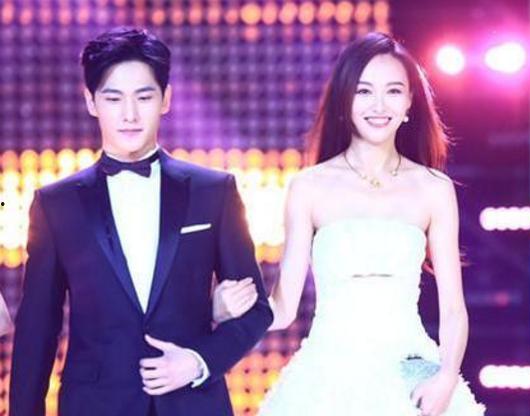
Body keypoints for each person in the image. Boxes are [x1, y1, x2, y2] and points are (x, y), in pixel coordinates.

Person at [212, 32, 486, 415]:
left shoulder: (433, 189)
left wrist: (446, 378)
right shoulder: (309, 187)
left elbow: (454, 309)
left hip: (409, 376)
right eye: (364, 91)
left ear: (410, 101)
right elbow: (284, 307)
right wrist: (227, 313)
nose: (379, 105)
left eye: (393, 91)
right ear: (345, 99)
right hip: (325, 382)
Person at [9, 27, 272, 416]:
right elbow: (38, 328)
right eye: (113, 98)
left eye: (144, 97)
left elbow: (257, 310)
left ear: (166, 99)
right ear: (91, 101)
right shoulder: (56, 204)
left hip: (192, 403)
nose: (129, 115)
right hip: (95, 406)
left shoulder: (213, 191)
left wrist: (198, 361)